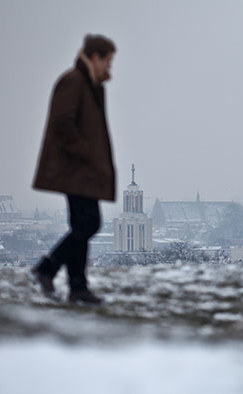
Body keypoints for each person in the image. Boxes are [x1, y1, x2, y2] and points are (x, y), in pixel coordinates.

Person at [30, 34, 117, 305]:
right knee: (88, 223)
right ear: (95, 57)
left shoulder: (91, 86)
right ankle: (47, 268)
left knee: (82, 225)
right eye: (108, 61)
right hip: (75, 169)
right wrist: (87, 153)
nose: (110, 69)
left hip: (83, 171)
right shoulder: (73, 82)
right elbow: (62, 123)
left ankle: (78, 287)